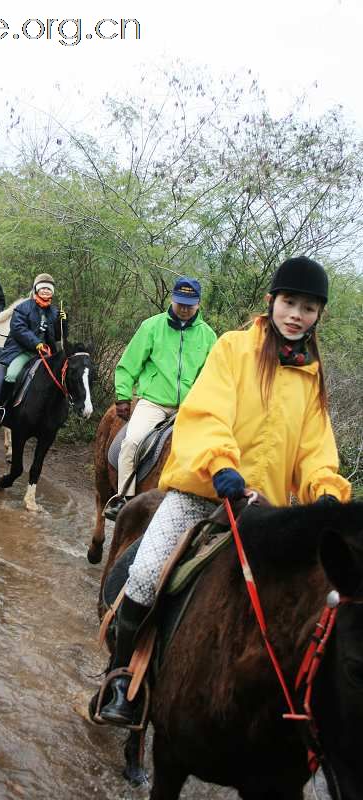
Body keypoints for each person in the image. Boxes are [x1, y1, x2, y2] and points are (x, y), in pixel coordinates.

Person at [96, 256, 351, 727]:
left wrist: (327, 494)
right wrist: (224, 470)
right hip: (204, 492)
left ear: (319, 315)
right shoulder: (234, 348)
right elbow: (207, 411)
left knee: (298, 606)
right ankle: (119, 682)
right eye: (290, 302)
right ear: (271, 302)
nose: (297, 314)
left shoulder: (312, 376)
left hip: (263, 509)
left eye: (309, 307)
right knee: (148, 574)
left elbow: (317, 447)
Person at [104, 277, 217, 521]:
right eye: (180, 303)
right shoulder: (151, 327)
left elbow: (212, 377)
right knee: (132, 441)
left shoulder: (208, 336)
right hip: (153, 403)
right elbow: (128, 364)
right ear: (172, 300)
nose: (184, 309)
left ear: (198, 304)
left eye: (190, 304)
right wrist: (123, 396)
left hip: (189, 408)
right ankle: (123, 497)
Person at [0, 273, 67, 424]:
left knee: (60, 379)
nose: (45, 291)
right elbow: (18, 328)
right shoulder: (23, 307)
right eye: (42, 288)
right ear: (36, 289)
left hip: (46, 354)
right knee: (11, 374)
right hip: (23, 351)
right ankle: (1, 408)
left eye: (49, 289)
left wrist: (62, 323)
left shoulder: (55, 312)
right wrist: (36, 343)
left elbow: (57, 336)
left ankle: (54, 414)